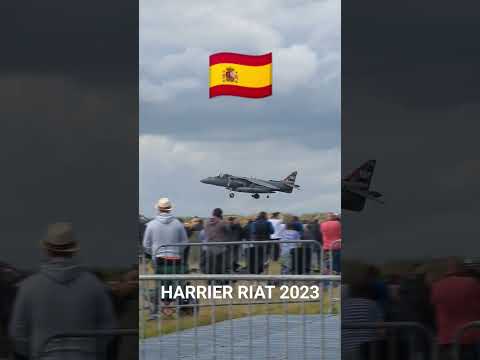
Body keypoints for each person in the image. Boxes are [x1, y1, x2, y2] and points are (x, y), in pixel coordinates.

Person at [9, 222, 116, 360]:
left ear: (47, 250)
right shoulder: (94, 284)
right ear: (74, 249)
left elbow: (17, 334)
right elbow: (109, 329)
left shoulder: (28, 286)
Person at [142, 198, 188, 317]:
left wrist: (153, 253)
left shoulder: (151, 225)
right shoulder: (178, 224)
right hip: (175, 259)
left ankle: (157, 311)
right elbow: (185, 242)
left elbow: (145, 245)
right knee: (175, 285)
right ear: (170, 209)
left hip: (159, 259)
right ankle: (177, 308)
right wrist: (177, 251)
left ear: (158, 209)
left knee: (161, 284)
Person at [431, 258, 480, 360]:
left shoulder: (436, 286)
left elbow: (434, 308)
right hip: (469, 337)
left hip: (445, 338)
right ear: (462, 268)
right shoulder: (471, 283)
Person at [203, 208, 232, 275]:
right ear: (220, 214)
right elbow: (229, 230)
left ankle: (211, 282)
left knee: (211, 267)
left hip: (209, 247)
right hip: (220, 248)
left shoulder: (206, 222)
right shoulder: (222, 222)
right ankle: (221, 282)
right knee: (221, 268)